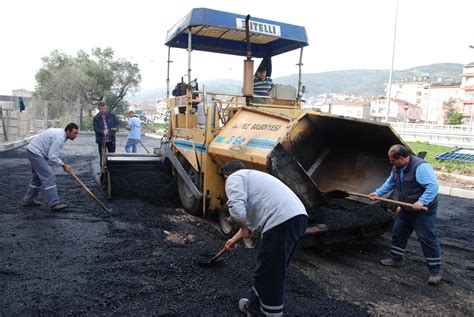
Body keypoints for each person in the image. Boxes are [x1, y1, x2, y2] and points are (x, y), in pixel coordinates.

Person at [222, 160, 308, 316]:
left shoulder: (234, 178)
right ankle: (254, 306)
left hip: (281, 221)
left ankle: (269, 314)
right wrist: (232, 241)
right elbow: (247, 229)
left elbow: (236, 209)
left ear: (226, 175)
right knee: (269, 269)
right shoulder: (253, 178)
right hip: (297, 218)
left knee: (270, 273)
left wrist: (242, 227)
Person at [369, 144, 442, 285]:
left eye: (393, 160)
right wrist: (377, 193)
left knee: (427, 238)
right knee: (398, 232)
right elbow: (390, 183)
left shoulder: (420, 167)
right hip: (406, 208)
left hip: (423, 210)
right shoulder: (397, 167)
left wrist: (422, 201)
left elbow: (433, 186)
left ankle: (435, 271)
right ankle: (396, 259)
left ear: (402, 158)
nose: (391, 162)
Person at [22, 123, 79, 211]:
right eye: (75, 133)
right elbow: (52, 156)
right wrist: (63, 165)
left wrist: (62, 165)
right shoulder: (60, 138)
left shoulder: (61, 134)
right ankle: (54, 203)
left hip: (33, 150)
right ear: (68, 131)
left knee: (36, 178)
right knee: (49, 176)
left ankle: (28, 200)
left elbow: (51, 154)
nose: (76, 136)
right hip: (36, 152)